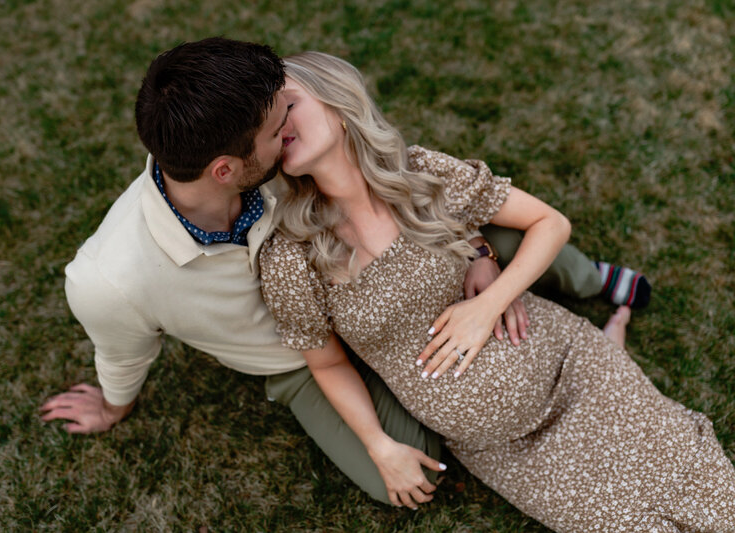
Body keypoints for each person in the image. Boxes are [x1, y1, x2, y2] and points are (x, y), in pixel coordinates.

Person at [39, 37, 648, 510]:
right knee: (406, 473)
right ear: (226, 170)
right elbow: (123, 352)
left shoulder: (252, 135)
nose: (290, 128)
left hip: (391, 274)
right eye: (279, 130)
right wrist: (114, 406)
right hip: (299, 356)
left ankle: (590, 280)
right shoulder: (110, 278)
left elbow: (412, 196)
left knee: (507, 229)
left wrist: (480, 255)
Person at [258, 51, 735, 531]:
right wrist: (378, 445)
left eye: (288, 107)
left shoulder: (420, 173)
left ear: (338, 103)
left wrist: (489, 301)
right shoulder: (292, 256)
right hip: (509, 450)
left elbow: (551, 222)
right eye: (266, 124)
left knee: (710, 494)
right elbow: (327, 362)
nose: (277, 127)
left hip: (569, 369)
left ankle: (612, 355)